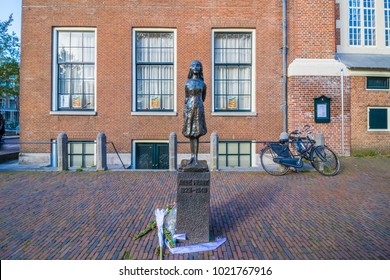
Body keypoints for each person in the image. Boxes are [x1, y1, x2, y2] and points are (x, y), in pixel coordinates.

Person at [182, 60, 207, 166]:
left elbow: (203, 98)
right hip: (189, 109)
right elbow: (186, 98)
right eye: (193, 65)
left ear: (201, 68)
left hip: (199, 109)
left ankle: (195, 158)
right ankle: (192, 157)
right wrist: (185, 112)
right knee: (191, 133)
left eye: (198, 65)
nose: (196, 67)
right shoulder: (187, 83)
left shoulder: (203, 84)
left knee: (197, 134)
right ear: (190, 68)